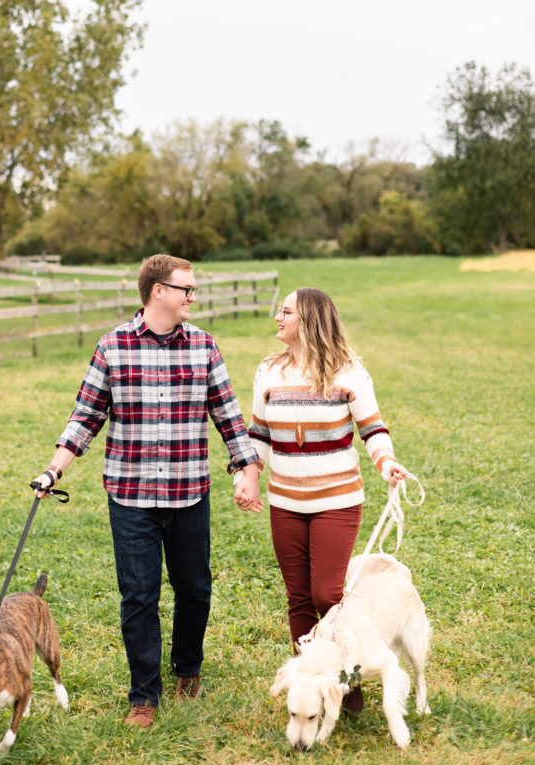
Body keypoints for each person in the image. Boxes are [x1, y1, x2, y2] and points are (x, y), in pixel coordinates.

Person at [32, 254, 262, 729]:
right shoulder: (113, 346)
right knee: (139, 596)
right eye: (186, 289)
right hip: (130, 494)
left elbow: (228, 417)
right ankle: (144, 696)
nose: (192, 297)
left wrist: (248, 470)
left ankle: (188, 670)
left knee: (195, 590)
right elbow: (86, 417)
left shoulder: (204, 346)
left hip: (189, 493)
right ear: (159, 290)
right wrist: (52, 471)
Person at [247, 287, 407, 710]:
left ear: (310, 320)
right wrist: (247, 476)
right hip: (285, 501)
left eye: (285, 312)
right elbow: (259, 436)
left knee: (327, 595)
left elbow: (373, 429)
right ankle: (310, 684)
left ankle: (348, 679)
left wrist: (387, 463)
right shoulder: (268, 371)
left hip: (337, 499)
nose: (277, 319)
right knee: (298, 597)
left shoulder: (349, 372)